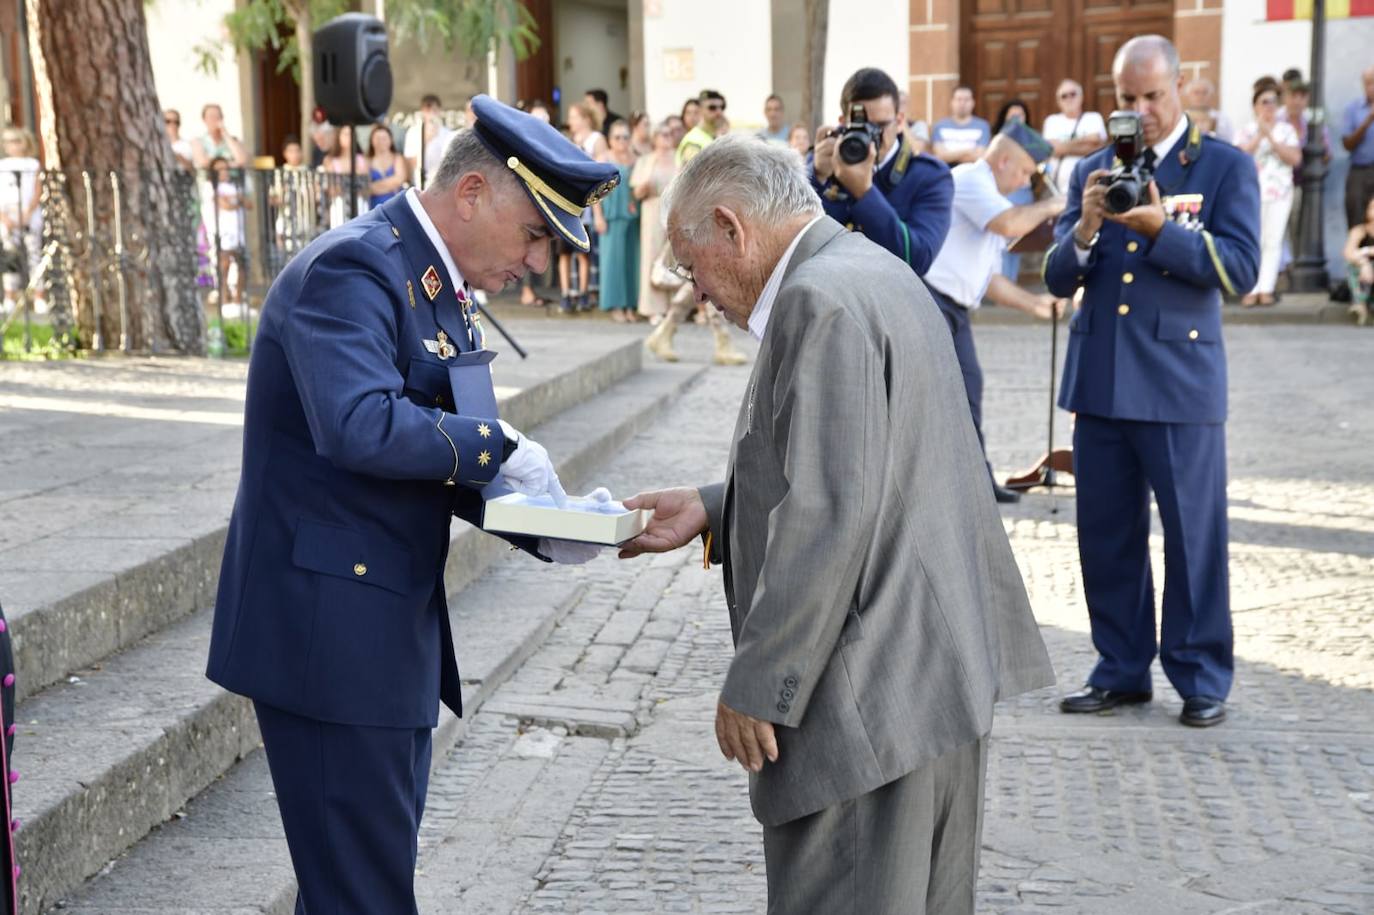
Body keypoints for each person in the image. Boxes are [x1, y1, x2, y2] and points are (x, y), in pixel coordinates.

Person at [618, 135, 1054, 914]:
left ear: (732, 227)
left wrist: (759, 684)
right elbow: (869, 461)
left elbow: (827, 514)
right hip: (932, 677)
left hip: (872, 704)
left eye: (691, 264)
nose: (699, 290)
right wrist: (715, 507)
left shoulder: (818, 301)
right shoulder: (872, 271)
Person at [207, 95, 620, 913]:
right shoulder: (354, 267)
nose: (537, 261)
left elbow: (439, 450)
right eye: (535, 233)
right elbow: (360, 426)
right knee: (363, 894)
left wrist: (546, 523)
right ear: (471, 193)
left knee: (357, 887)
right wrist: (500, 448)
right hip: (330, 635)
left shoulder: (432, 279)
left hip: (382, 631)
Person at [1044, 35, 1260, 728]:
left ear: (1181, 87)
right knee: (1106, 535)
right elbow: (1056, 276)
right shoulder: (1097, 170)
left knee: (1193, 536)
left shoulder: (1223, 166)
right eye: (1128, 99)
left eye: (1153, 96)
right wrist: (1081, 229)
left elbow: (1241, 269)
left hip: (1178, 382)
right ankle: (1121, 667)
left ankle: (1199, 674)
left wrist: (1165, 228)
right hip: (1103, 379)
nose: (1142, 110)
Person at [923, 122, 1067, 505]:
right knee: (946, 394)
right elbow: (1010, 223)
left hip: (952, 307)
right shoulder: (971, 179)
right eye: (1022, 172)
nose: (1023, 181)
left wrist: (1037, 305)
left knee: (968, 389)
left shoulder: (989, 194)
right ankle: (967, 486)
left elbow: (989, 279)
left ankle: (974, 484)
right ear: (1003, 160)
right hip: (930, 300)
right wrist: (1053, 205)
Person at [809, 67, 954, 280]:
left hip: (889, 305)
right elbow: (792, 242)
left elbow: (918, 260)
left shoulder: (929, 176)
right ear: (842, 122)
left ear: (900, 121)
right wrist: (816, 176)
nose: (872, 135)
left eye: (881, 126)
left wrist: (864, 193)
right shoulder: (824, 164)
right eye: (862, 126)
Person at [1234, 83, 1301, 306]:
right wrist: (1259, 136)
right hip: (1252, 192)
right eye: (1264, 102)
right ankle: (1250, 287)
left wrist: (1271, 137)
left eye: (1273, 102)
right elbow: (1239, 158)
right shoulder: (1245, 130)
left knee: (1273, 241)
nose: (1269, 107)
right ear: (1255, 106)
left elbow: (1294, 158)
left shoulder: (1286, 130)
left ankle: (1266, 288)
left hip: (1280, 192)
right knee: (1254, 240)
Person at [557, 103, 606, 312]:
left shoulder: (596, 139)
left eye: (575, 116)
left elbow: (601, 172)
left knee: (583, 250)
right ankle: (567, 292)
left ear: (586, 118)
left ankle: (585, 291)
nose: (571, 121)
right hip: (568, 202)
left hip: (586, 203)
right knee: (564, 252)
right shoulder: (569, 141)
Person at [631, 120, 678, 323]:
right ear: (655, 138)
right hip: (652, 209)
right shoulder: (646, 161)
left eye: (669, 134)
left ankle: (675, 305)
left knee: (675, 257)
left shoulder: (679, 158)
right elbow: (637, 192)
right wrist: (645, 185)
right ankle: (654, 307)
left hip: (674, 210)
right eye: (662, 134)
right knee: (652, 255)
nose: (666, 137)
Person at [592, 120, 639, 322]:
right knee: (613, 262)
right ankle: (615, 305)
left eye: (626, 137)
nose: (622, 141)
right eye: (617, 137)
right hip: (610, 215)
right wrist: (598, 216)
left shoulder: (637, 159)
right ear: (610, 139)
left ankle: (631, 304)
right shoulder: (603, 158)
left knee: (632, 261)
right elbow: (594, 191)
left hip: (632, 216)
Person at [0, 127, 43, 314]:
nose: (13, 146)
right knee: (10, 256)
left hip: (28, 215)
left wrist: (27, 213)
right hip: (7, 216)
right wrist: (4, 218)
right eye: (9, 142)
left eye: (16, 142)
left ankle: (39, 296)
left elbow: (37, 190)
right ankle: (10, 296)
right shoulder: (2, 165)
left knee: (35, 255)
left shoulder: (32, 164)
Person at [992, 99, 1035, 280]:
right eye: (1013, 114)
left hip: (1023, 193)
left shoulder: (1033, 140)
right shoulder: (998, 139)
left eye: (1021, 114)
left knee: (1017, 243)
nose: (1017, 118)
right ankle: (1001, 283)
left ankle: (1011, 281)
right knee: (1000, 242)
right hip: (1003, 194)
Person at [1043, 79, 1107, 194]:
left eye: (1073, 94)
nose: (1069, 99)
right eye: (1064, 96)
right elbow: (1051, 149)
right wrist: (1085, 141)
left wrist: (1062, 147)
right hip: (1058, 191)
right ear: (1058, 101)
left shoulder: (1093, 118)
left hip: (1089, 189)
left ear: (1081, 97)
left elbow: (1097, 147)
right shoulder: (1052, 121)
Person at [207, 155, 249, 305]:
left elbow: (249, 204)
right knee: (224, 266)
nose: (224, 172)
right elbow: (225, 205)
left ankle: (238, 300)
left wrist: (236, 199)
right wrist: (238, 201)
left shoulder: (234, 186)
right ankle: (224, 299)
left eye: (225, 168)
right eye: (219, 169)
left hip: (238, 230)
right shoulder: (210, 187)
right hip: (223, 231)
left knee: (241, 264)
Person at [1342, 67, 1374, 228]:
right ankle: (1356, 251)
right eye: (1369, 83)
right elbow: (1347, 144)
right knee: (1356, 214)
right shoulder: (1353, 109)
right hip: (1360, 170)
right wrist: (1367, 121)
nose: (1372, 87)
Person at [321, 125, 368, 226]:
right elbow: (331, 189)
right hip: (339, 204)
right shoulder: (330, 160)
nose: (349, 138)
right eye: (346, 134)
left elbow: (366, 186)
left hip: (359, 203)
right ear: (339, 137)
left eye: (352, 135)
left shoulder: (361, 159)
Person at [932, 86, 991, 165]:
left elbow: (980, 156)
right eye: (959, 99)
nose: (962, 103)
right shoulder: (940, 126)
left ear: (973, 103)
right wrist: (968, 151)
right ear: (952, 102)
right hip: (947, 172)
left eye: (966, 100)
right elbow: (940, 156)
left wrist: (950, 155)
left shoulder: (983, 126)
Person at [405, 94, 453, 189]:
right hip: (420, 185)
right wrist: (427, 139)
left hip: (442, 184)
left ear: (439, 111)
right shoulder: (413, 132)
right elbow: (410, 163)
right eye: (428, 109)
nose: (431, 113)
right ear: (422, 111)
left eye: (435, 110)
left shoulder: (447, 133)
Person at [1342, 196, 1374, 325]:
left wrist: (1365, 251)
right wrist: (1364, 263)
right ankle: (1359, 304)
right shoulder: (1360, 230)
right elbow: (1348, 253)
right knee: (1352, 266)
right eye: (1372, 207)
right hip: (1363, 275)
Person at [191, 103, 248, 169]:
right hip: (209, 178)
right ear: (204, 120)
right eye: (211, 116)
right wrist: (231, 164)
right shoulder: (198, 141)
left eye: (218, 116)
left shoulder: (233, 140)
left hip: (232, 178)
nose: (215, 119)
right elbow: (203, 162)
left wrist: (225, 133)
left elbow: (242, 160)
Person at [677, 89, 727, 165]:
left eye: (722, 107)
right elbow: (691, 174)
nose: (719, 112)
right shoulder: (694, 140)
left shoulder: (716, 136)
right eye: (712, 108)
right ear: (700, 110)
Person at [366, 125, 409, 209]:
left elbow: (399, 180)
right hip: (372, 208)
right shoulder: (367, 161)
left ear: (391, 140)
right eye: (378, 138)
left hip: (395, 207)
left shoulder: (397, 158)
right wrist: (390, 185)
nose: (381, 141)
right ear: (372, 140)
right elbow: (366, 188)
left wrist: (376, 186)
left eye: (384, 138)